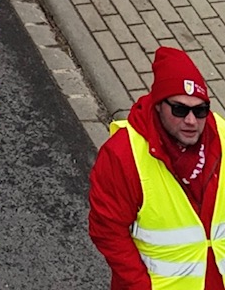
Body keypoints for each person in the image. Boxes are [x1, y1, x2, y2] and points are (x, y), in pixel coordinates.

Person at [90, 46, 225, 289]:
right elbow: (107, 230)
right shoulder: (122, 155)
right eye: (180, 109)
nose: (192, 121)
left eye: (200, 110)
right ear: (158, 105)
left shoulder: (222, 136)